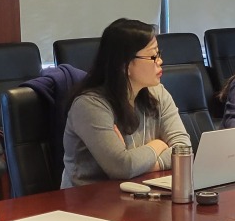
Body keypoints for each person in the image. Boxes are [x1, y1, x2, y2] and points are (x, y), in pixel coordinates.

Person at [62, 19, 190, 187]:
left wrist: (142, 164)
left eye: (158, 54)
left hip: (139, 191)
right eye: (153, 56)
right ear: (125, 65)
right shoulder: (89, 105)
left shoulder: (158, 93)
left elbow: (184, 149)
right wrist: (158, 145)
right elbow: (122, 167)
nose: (160, 61)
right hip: (88, 198)